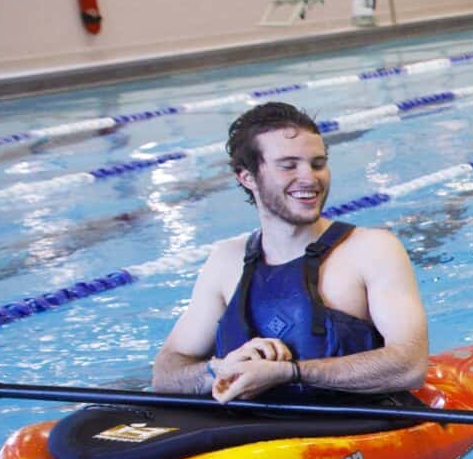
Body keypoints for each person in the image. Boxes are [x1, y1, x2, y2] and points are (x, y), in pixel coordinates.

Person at [151, 101, 429, 404]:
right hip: (248, 435)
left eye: (318, 163)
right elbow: (165, 374)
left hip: (349, 430)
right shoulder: (225, 261)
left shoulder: (372, 249)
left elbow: (409, 366)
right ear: (247, 177)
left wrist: (291, 372)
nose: (310, 177)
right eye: (288, 165)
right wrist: (218, 369)